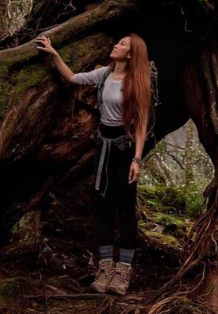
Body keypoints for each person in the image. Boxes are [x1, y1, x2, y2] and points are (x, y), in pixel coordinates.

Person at [36, 33, 153, 295]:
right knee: (103, 206)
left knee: (125, 209)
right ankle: (104, 270)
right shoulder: (103, 75)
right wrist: (53, 53)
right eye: (118, 41)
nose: (116, 45)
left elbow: (142, 125)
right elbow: (72, 78)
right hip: (103, 146)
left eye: (122, 44)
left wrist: (137, 159)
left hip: (125, 148)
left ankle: (122, 273)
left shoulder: (139, 83)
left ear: (132, 54)